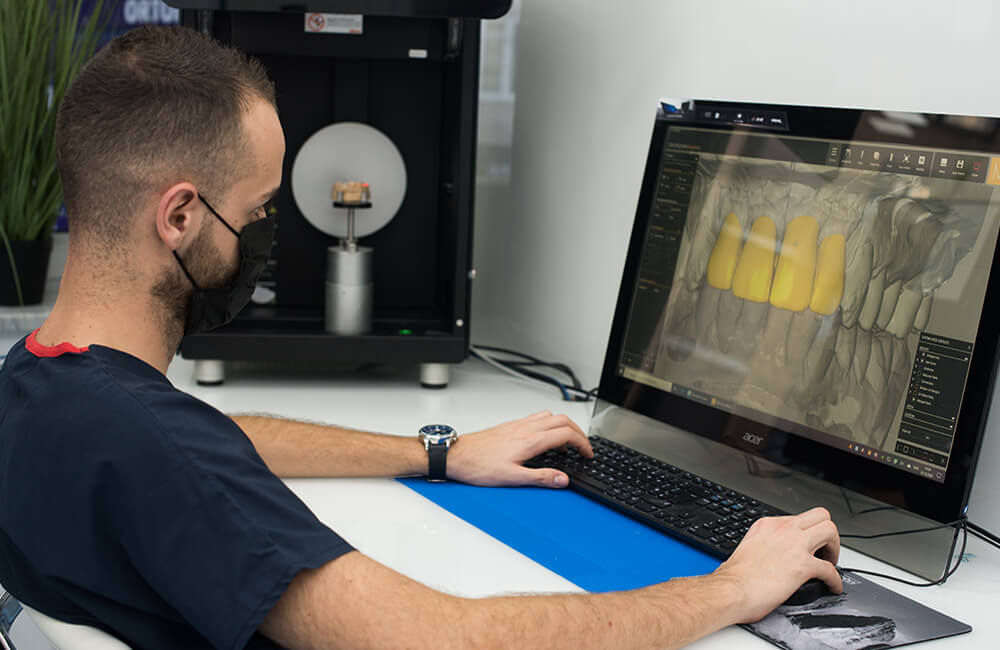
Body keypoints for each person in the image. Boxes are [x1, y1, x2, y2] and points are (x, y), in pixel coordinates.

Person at [0, 26, 842, 650]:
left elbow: (215, 440)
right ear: (181, 216)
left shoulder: (40, 387)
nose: (265, 233)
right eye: (257, 210)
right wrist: (730, 588)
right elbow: (443, 638)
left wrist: (439, 453)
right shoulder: (161, 450)